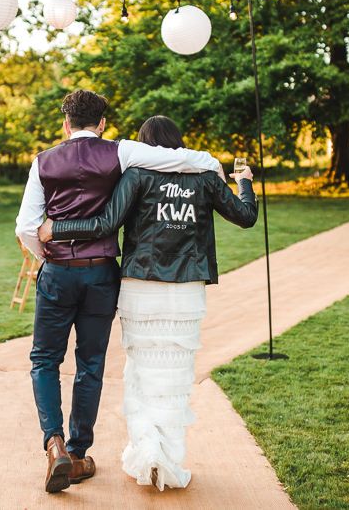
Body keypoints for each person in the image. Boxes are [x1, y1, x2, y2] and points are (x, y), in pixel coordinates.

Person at [15, 93, 223, 494]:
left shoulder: (43, 162)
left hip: (58, 273)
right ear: (104, 123)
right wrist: (211, 162)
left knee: (44, 359)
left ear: (65, 124)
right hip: (100, 276)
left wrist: (48, 256)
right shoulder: (122, 151)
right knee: (90, 363)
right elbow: (178, 158)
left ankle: (53, 442)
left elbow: (26, 227)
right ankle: (77, 454)